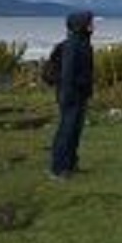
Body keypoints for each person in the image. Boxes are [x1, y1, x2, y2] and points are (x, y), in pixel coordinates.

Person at [50, 10, 95, 179]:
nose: (93, 26)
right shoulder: (72, 45)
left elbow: (85, 72)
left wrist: (87, 92)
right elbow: (68, 73)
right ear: (81, 24)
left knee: (75, 131)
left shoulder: (84, 43)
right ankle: (58, 168)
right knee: (66, 131)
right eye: (89, 22)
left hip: (80, 94)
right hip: (70, 95)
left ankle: (71, 164)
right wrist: (67, 96)